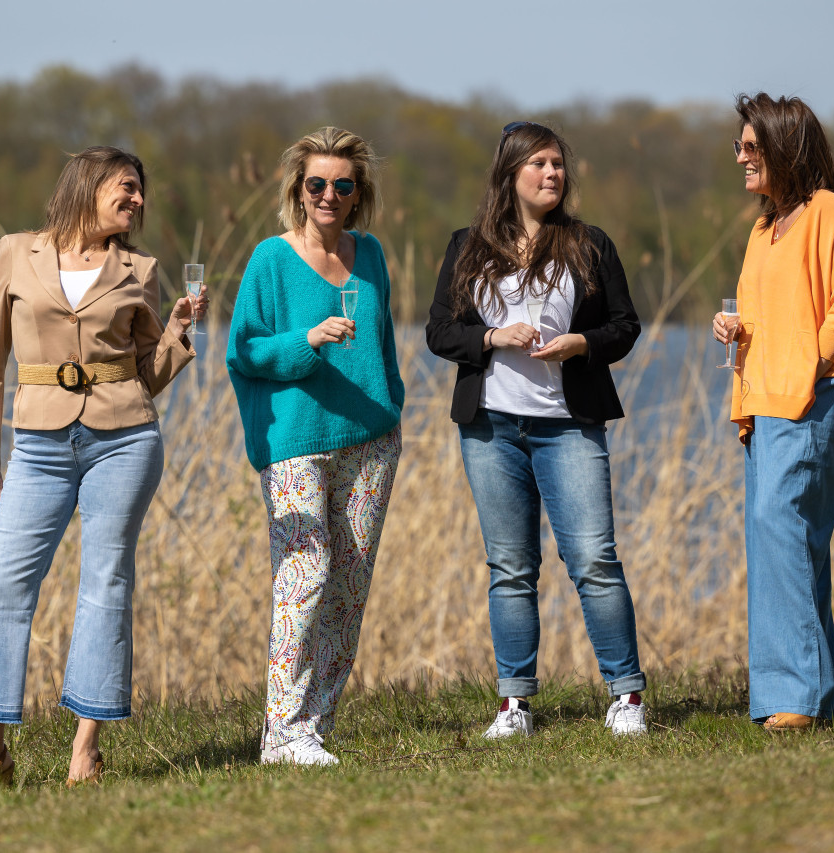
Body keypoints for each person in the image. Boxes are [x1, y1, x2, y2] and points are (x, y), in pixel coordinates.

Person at [0, 146, 205, 790]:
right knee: (3, 585)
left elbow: (145, 375)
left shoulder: (140, 269)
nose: (139, 201)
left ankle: (85, 749)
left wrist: (179, 333)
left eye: (141, 192)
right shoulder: (17, 252)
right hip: (36, 446)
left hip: (124, 441)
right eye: (127, 187)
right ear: (89, 185)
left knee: (105, 582)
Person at [426, 121, 648, 739]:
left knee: (594, 560)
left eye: (558, 165)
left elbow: (625, 327)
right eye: (540, 164)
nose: (553, 174)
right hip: (491, 430)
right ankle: (514, 704)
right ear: (510, 174)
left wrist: (581, 343)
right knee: (510, 568)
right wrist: (493, 337)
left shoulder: (589, 243)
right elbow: (439, 332)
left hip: (568, 428)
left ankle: (626, 697)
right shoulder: (467, 246)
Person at [227, 127, 404, 766]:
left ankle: (313, 728)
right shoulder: (270, 260)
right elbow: (243, 350)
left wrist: (393, 404)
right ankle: (282, 730)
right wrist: (308, 339)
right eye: (316, 185)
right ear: (298, 192)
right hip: (297, 442)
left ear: (359, 194)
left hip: (372, 441)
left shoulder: (373, 254)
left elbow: (382, 344)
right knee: (306, 575)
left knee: (350, 587)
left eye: (342, 185)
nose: (329, 195)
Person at [712, 94, 834, 730]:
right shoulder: (764, 229)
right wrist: (738, 326)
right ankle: (814, 697)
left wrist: (808, 367)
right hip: (766, 400)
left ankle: (796, 699)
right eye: (739, 146)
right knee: (784, 542)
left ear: (788, 147)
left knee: (781, 528)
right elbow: (772, 314)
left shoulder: (827, 212)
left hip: (812, 399)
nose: (742, 157)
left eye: (753, 147)